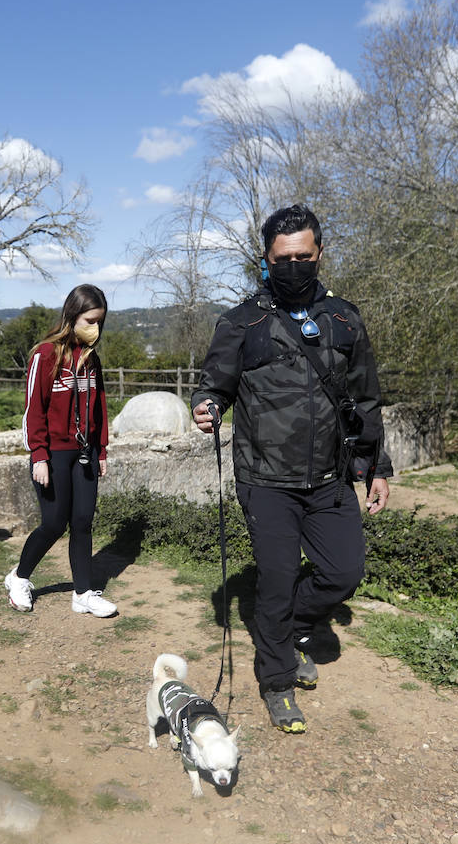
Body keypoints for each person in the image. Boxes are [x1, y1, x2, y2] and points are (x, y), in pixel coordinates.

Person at [191, 203, 392, 733]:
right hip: (265, 480)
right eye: (284, 258)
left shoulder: (345, 318)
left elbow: (365, 399)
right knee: (277, 580)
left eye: (304, 256)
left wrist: (377, 467)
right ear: (266, 259)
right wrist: (206, 406)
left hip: (330, 475)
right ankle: (277, 680)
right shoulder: (242, 322)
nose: (295, 265)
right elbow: (215, 384)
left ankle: (287, 631)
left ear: (320, 253)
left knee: (343, 571)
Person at [4, 284, 115, 618]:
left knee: (82, 522)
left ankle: (82, 593)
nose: (94, 327)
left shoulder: (91, 358)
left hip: (85, 452)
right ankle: (19, 577)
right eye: (89, 320)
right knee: (53, 523)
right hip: (52, 454)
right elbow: (33, 410)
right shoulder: (45, 354)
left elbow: (100, 407)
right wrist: (38, 454)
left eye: (99, 321)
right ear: (72, 315)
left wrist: (103, 450)